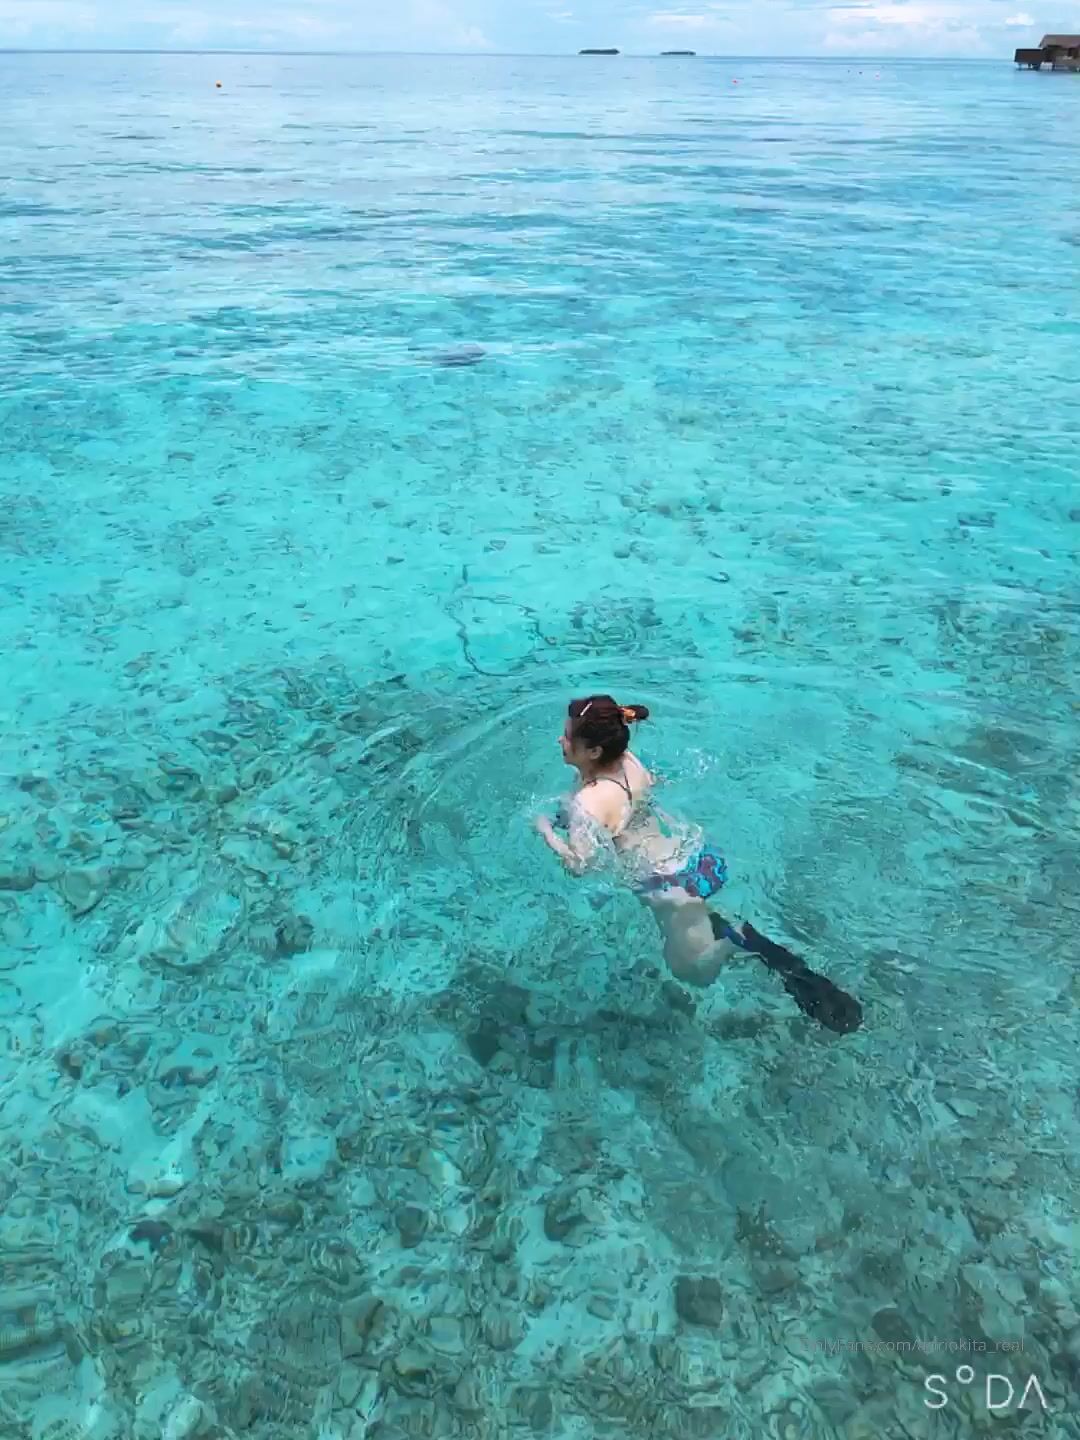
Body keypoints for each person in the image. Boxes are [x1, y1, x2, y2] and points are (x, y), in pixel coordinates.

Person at [535, 694, 862, 1033]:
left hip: (665, 882)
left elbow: (580, 866)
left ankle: (735, 939)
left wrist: (544, 829)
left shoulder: (588, 801)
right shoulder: (628, 760)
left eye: (568, 736)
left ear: (594, 752)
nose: (561, 740)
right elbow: (645, 790)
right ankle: (738, 936)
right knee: (704, 922)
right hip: (697, 857)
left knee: (692, 973)